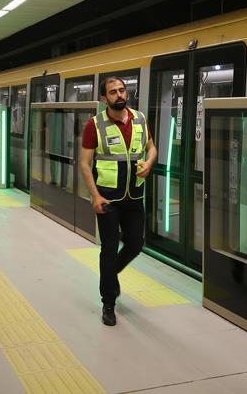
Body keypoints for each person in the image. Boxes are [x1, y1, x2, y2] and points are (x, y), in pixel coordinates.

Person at [79, 77, 157, 326]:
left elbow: (151, 147)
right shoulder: (94, 125)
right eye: (113, 92)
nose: (119, 95)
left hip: (134, 196)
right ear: (104, 98)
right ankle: (108, 303)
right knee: (109, 249)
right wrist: (95, 196)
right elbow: (84, 163)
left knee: (135, 244)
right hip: (108, 199)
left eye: (122, 90)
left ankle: (110, 276)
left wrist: (149, 162)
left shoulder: (140, 119)